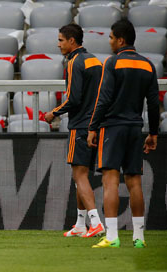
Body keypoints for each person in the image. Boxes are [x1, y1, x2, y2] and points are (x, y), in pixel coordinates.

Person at [87, 19, 159, 248]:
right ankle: (139, 237)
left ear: (120, 40)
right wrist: (153, 133)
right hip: (135, 128)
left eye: (110, 37)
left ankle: (112, 236)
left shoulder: (113, 63)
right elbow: (155, 103)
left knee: (110, 182)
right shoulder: (148, 65)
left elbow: (104, 98)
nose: (109, 42)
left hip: (113, 127)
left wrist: (93, 127)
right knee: (134, 182)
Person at [44, 24, 105, 238]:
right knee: (83, 174)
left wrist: (54, 112)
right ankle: (80, 224)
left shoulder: (73, 62)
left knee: (79, 176)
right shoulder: (95, 60)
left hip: (80, 124)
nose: (58, 44)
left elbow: (73, 98)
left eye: (61, 40)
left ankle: (96, 222)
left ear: (72, 41)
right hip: (96, 125)